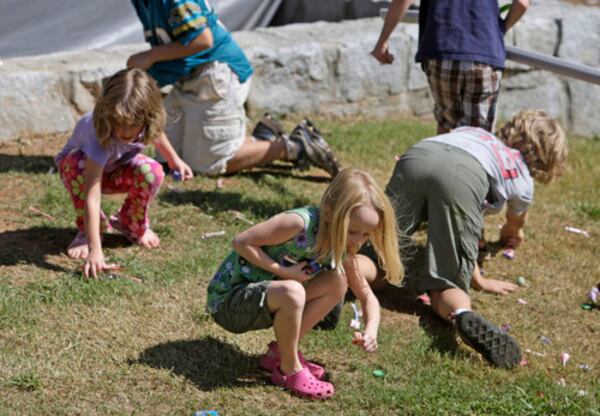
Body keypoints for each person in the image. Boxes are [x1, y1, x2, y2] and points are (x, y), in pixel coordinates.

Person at [382, 110, 567, 368]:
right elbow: (512, 225)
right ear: (548, 156)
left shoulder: (476, 133)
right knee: (446, 282)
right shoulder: (522, 177)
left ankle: (341, 274)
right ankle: (461, 313)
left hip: (419, 154)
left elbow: (471, 219)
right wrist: (512, 235)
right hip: (465, 176)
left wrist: (477, 273)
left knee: (379, 241)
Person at [206, 168, 403, 398]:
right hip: (229, 303)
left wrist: (371, 331)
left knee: (337, 281)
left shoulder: (342, 244)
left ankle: (279, 354)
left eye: (366, 235)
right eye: (354, 231)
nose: (359, 240)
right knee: (293, 291)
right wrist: (283, 271)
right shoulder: (298, 223)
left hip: (269, 297)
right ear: (329, 213)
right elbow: (241, 242)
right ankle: (288, 370)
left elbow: (367, 296)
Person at [127, 0, 339, 177]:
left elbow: (203, 40)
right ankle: (263, 138)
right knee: (169, 158)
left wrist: (151, 56)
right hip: (188, 76)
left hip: (215, 75)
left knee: (209, 165)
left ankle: (294, 146)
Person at [55, 68, 193, 278]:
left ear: (148, 117)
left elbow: (157, 134)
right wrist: (95, 250)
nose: (125, 132)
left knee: (153, 171)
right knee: (75, 164)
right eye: (119, 124)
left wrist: (174, 160)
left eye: (133, 125)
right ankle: (88, 231)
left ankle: (130, 222)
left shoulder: (146, 121)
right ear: (106, 112)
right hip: (83, 173)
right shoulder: (98, 132)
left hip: (117, 169)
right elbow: (92, 194)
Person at [371, 0, 530, 134]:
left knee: (446, 123)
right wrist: (500, 30)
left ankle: (442, 169)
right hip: (484, 50)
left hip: (441, 49)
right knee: (480, 136)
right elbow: (522, 4)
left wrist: (382, 41)